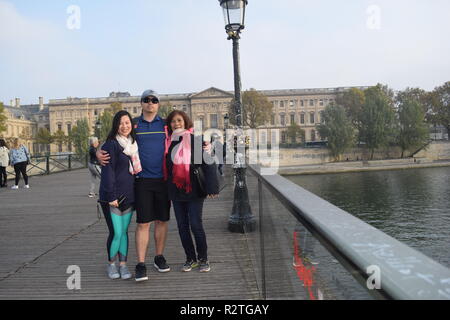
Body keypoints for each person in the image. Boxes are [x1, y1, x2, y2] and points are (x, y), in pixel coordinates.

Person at [97, 90, 172, 282]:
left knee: (162, 221)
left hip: (163, 179)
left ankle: (159, 257)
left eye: (154, 100)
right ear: (141, 104)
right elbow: (114, 139)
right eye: (146, 100)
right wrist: (97, 152)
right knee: (143, 223)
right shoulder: (134, 125)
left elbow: (185, 135)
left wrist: (204, 145)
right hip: (141, 181)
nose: (150, 103)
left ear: (158, 104)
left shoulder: (165, 125)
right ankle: (140, 263)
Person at [164, 110, 219, 272]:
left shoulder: (195, 140)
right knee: (182, 226)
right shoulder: (168, 142)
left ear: (185, 122)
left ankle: (203, 259)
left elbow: (209, 163)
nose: (176, 124)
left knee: (196, 225)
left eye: (179, 120)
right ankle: (190, 258)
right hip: (176, 191)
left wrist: (212, 187)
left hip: (194, 190)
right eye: (173, 121)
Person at [99, 110, 142, 280]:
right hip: (113, 197)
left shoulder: (133, 144)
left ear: (131, 124)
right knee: (116, 232)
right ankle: (111, 264)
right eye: (121, 123)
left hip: (129, 195)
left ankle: (123, 265)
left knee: (124, 232)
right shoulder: (111, 144)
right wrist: (111, 196)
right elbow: (108, 172)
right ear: (116, 126)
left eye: (127, 122)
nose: (125, 126)